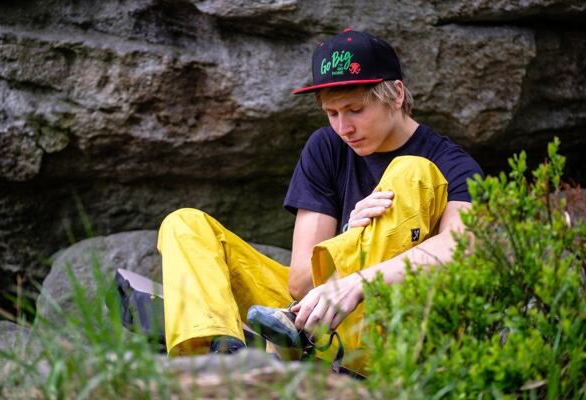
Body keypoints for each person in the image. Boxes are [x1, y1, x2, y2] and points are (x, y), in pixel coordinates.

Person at [157, 28, 483, 375]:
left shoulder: (452, 164)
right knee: (183, 224)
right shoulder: (326, 147)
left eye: (356, 109)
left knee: (411, 171)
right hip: (310, 320)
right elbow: (301, 283)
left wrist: (358, 282)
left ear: (397, 94)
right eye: (332, 113)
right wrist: (350, 233)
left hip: (395, 332)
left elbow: (464, 248)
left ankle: (308, 356)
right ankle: (218, 365)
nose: (344, 128)